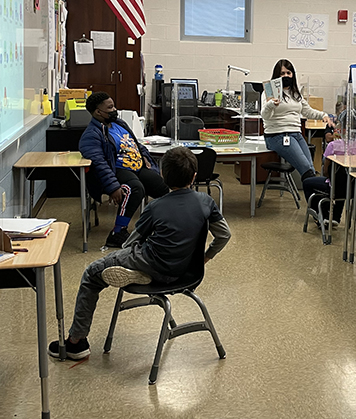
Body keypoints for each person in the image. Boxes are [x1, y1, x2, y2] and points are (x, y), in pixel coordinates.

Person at [48, 147, 232, 360]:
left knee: (92, 273)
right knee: (127, 259)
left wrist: (122, 258)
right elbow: (224, 235)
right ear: (194, 176)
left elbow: (131, 241)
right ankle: (136, 271)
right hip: (187, 272)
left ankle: (76, 342)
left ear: (162, 175)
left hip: (152, 263)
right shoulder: (206, 202)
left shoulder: (156, 207)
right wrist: (205, 258)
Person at [79, 92, 169, 248]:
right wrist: (113, 187)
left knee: (163, 188)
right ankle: (117, 233)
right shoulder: (91, 135)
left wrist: (144, 156)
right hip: (117, 169)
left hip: (137, 166)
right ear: (98, 112)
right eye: (110, 107)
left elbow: (136, 144)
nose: (115, 109)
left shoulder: (120, 124)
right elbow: (100, 163)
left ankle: (160, 226)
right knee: (135, 189)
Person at [261, 59, 333, 181]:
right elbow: (265, 115)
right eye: (282, 73)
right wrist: (271, 104)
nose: (286, 76)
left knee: (310, 167)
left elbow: (307, 111)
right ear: (277, 76)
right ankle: (318, 198)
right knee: (305, 168)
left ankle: (316, 198)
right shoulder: (269, 92)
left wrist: (323, 115)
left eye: (288, 73)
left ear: (293, 74)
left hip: (296, 134)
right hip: (277, 135)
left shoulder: (295, 93)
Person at [303, 137, 356, 227]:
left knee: (307, 183)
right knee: (343, 181)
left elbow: (326, 172)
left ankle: (323, 214)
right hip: (354, 190)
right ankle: (335, 217)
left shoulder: (333, 145)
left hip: (335, 188)